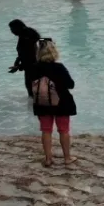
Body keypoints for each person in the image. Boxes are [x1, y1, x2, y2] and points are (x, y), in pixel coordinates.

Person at [29, 39, 77, 167]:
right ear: (53, 52)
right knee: (63, 130)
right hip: (61, 103)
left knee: (46, 130)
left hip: (42, 104)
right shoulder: (59, 67)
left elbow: (31, 87)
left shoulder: (34, 68)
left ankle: (48, 159)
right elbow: (70, 84)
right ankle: (67, 158)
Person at [8, 19, 41, 98]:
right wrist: (17, 63)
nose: (11, 31)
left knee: (33, 92)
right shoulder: (24, 36)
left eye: (12, 29)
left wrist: (18, 66)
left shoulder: (27, 38)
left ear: (18, 28)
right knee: (33, 91)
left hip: (33, 68)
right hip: (31, 67)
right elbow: (23, 54)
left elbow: (29, 56)